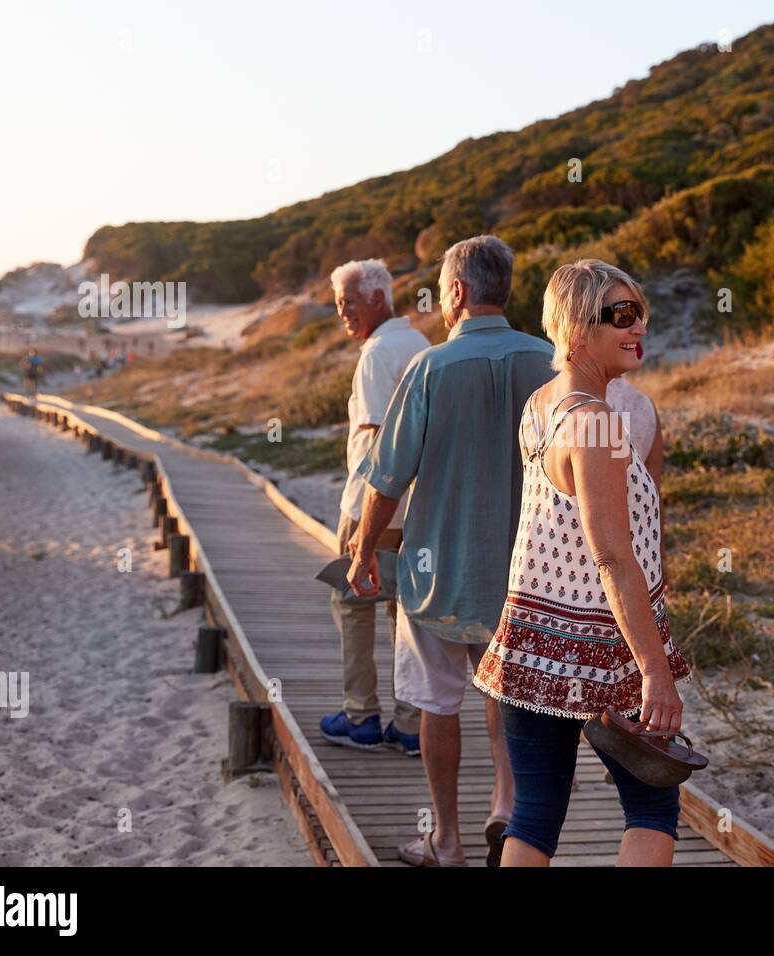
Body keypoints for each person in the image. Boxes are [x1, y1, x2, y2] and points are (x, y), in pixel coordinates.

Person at [472, 259, 692, 867]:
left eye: (640, 313)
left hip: (529, 641)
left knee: (536, 811)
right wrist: (654, 668)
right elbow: (613, 556)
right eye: (621, 315)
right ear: (576, 328)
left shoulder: (541, 406)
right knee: (653, 807)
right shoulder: (596, 423)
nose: (637, 327)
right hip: (604, 644)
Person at [347, 235, 554, 866]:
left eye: (441, 289)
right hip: (522, 571)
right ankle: (505, 807)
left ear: (457, 292)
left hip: (437, 571)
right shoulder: (549, 361)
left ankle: (447, 838)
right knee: (504, 692)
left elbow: (387, 476)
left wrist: (362, 552)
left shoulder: (430, 368)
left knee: (438, 701)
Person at [319, 259, 429, 754]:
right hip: (421, 503)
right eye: (339, 303)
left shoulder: (377, 354)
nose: (342, 312)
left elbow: (377, 444)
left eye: (349, 302)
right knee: (406, 610)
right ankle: (409, 723)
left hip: (378, 502)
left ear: (379, 299)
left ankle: (360, 715)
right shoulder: (422, 346)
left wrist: (362, 514)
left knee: (353, 599)